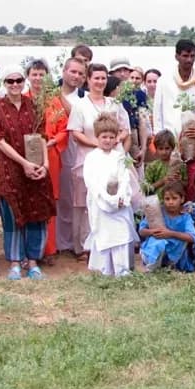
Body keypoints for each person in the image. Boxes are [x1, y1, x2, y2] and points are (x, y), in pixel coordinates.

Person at [0, 67, 55, 281]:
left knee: (36, 214)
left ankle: (33, 261)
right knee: (12, 216)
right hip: (10, 169)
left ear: (24, 82)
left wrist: (44, 163)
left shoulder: (33, 106)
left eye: (18, 80)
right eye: (10, 81)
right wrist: (23, 163)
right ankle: (15, 262)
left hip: (35, 169)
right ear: (4, 83)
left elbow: (42, 135)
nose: (15, 84)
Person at [68, 63, 132, 260]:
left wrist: (113, 141)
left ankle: (117, 243)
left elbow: (125, 129)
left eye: (103, 78)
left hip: (113, 156)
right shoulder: (80, 105)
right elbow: (75, 133)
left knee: (116, 195)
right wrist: (96, 143)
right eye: (96, 78)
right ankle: (85, 246)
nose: (100, 82)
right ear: (88, 80)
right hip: (88, 157)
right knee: (87, 202)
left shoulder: (114, 103)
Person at [24, 58, 69, 266]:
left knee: (49, 202)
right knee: (28, 200)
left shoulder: (54, 101)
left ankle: (48, 249)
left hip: (50, 154)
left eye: (42, 74)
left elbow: (64, 129)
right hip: (26, 156)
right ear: (28, 76)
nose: (38, 78)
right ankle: (27, 251)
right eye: (34, 74)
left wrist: (52, 142)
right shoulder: (22, 99)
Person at [82, 113, 137, 276]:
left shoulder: (119, 157)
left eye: (111, 137)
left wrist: (120, 199)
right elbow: (92, 184)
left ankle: (122, 269)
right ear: (97, 137)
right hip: (101, 204)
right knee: (104, 236)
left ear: (116, 139)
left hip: (119, 206)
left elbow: (124, 180)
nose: (107, 140)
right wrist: (109, 200)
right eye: (104, 137)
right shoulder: (91, 158)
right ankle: (104, 270)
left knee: (120, 234)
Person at [55, 57, 87, 254]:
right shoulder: (50, 96)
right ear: (64, 72)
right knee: (60, 198)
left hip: (79, 153)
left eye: (81, 73)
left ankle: (75, 243)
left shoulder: (84, 98)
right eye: (73, 72)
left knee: (77, 201)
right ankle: (58, 242)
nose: (76, 76)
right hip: (56, 152)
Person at [138, 179, 195, 272]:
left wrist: (170, 233)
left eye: (174, 198)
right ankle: (151, 266)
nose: (170, 202)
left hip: (174, 253)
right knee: (159, 243)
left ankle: (168, 265)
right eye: (167, 199)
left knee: (181, 240)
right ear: (163, 200)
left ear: (182, 199)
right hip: (156, 250)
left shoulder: (185, 217)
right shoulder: (157, 212)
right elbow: (141, 231)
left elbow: (192, 237)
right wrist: (151, 232)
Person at [154, 39, 195, 135]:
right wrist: (158, 134)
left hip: (194, 135)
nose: (189, 60)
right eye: (185, 56)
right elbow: (157, 110)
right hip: (169, 135)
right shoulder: (164, 81)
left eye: (192, 56)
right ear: (177, 57)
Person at [143, 130, 184, 196]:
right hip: (157, 202)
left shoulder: (179, 165)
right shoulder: (152, 166)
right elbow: (146, 189)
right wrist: (162, 181)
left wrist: (180, 180)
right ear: (156, 149)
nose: (164, 152)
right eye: (161, 149)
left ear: (172, 148)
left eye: (167, 148)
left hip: (176, 201)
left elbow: (186, 184)